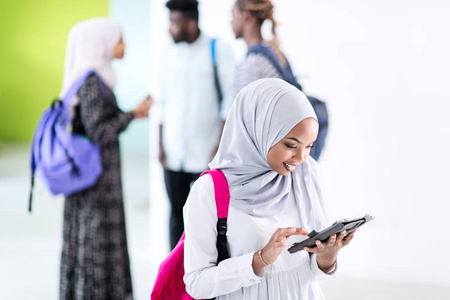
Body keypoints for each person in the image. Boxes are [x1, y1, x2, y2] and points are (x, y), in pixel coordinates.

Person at [183, 78, 355, 299]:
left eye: (309, 146)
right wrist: (260, 259)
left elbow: (314, 266)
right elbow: (197, 284)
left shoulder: (306, 174)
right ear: (258, 130)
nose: (301, 158)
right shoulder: (208, 190)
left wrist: (328, 256)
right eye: (291, 145)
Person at [59, 18, 152, 300]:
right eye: (119, 38)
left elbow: (96, 122)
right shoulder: (90, 82)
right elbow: (99, 131)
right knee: (95, 241)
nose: (124, 45)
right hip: (96, 184)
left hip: (99, 179)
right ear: (101, 44)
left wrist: (129, 113)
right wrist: (132, 115)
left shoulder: (96, 80)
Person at [158, 0, 236, 249]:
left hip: (206, 154)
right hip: (174, 152)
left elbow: (230, 100)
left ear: (192, 22)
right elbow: (162, 100)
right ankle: (174, 277)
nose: (170, 29)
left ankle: (205, 277)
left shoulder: (217, 49)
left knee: (207, 219)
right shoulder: (170, 53)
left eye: (175, 23)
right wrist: (160, 144)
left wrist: (218, 146)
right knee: (175, 216)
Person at [231, 0, 326, 160]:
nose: (230, 21)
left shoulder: (253, 64)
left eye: (233, 15)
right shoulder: (275, 53)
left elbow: (243, 128)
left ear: (246, 16)